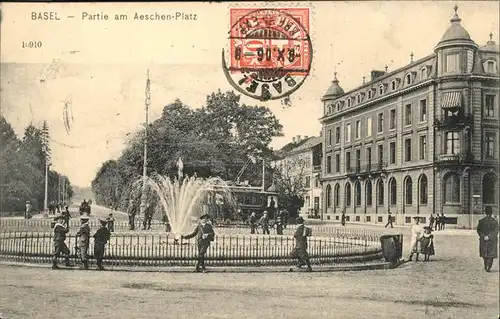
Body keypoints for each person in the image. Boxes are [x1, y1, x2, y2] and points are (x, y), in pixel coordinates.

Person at [477, 207, 499, 272]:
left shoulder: (481, 221)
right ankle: (488, 266)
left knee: (484, 254)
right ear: (491, 213)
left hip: (483, 240)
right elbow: (496, 231)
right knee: (491, 254)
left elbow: (478, 230)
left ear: (485, 212)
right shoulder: (495, 222)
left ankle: (486, 264)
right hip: (492, 240)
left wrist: (483, 236)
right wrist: (489, 237)